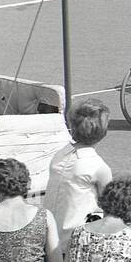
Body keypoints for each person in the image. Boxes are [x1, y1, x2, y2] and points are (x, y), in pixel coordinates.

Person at [42, 99, 113, 235]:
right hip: (75, 238)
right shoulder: (98, 167)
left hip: (49, 233)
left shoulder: (60, 154)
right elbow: (110, 210)